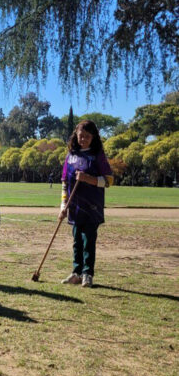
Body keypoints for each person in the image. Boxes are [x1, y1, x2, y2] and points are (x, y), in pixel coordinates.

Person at [59, 120, 113, 288]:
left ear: (93, 137)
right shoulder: (70, 155)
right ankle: (76, 272)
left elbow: (109, 181)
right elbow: (64, 183)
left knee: (88, 240)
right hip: (75, 207)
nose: (83, 139)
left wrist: (88, 179)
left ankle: (87, 274)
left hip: (92, 206)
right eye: (81, 136)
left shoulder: (98, 155)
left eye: (87, 137)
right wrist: (63, 206)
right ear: (76, 135)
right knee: (76, 241)